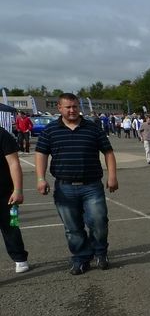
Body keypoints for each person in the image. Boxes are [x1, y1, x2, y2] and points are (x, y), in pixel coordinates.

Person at [34, 93, 118, 275]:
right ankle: (81, 258)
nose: (72, 110)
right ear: (59, 108)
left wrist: (112, 176)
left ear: (79, 107)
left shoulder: (93, 128)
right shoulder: (50, 131)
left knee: (99, 222)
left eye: (75, 106)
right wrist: (40, 178)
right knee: (72, 228)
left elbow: (108, 153)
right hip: (65, 188)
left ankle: (100, 253)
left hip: (92, 186)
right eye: (68, 107)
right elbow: (41, 154)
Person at [0, 127, 29, 273]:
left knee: (12, 226)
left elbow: (14, 163)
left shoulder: (2, 134)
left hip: (6, 194)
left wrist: (18, 190)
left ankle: (20, 258)